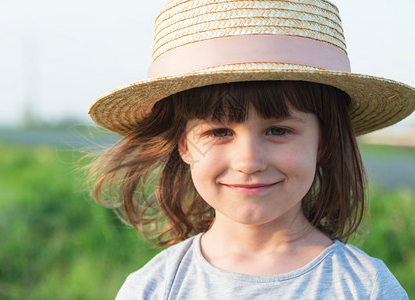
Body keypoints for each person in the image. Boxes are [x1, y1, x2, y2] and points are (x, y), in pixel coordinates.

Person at [88, 0, 414, 298]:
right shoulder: (155, 287)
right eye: (219, 131)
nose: (248, 162)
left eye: (278, 130)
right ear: (183, 144)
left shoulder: (366, 287)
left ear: (325, 140)